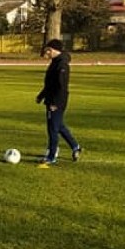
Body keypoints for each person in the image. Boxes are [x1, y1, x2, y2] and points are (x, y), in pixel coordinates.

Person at [36, 38, 81, 166]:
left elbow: (61, 86)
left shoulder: (62, 65)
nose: (47, 53)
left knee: (52, 129)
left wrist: (55, 103)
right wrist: (41, 96)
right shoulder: (55, 62)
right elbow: (50, 83)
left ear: (55, 50)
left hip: (56, 102)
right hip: (51, 100)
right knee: (59, 126)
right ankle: (75, 146)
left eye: (49, 50)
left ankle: (52, 156)